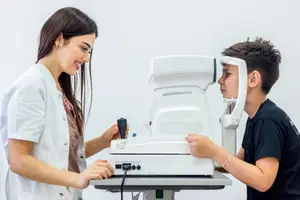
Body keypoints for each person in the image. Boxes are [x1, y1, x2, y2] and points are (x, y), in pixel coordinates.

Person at [0, 7, 127, 200]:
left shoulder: (57, 89)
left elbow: (58, 152)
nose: (86, 58)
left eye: (90, 51)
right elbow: (19, 160)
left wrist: (102, 142)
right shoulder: (31, 87)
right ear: (59, 39)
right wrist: (78, 179)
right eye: (83, 48)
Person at [186, 38, 300, 199]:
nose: (220, 80)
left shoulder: (268, 120)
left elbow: (263, 180)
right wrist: (201, 157)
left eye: (227, 73)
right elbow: (239, 161)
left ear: (253, 79)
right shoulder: (257, 117)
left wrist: (213, 150)